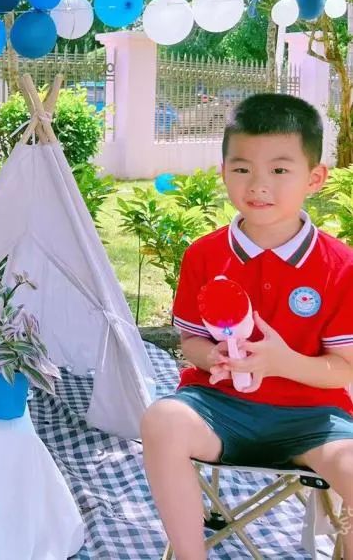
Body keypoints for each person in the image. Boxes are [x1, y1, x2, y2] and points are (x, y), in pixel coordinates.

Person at [141, 94, 353, 559]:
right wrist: (211, 355)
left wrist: (282, 362)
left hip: (314, 418)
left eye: (279, 170)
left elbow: (344, 369)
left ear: (314, 178)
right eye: (242, 168)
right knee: (161, 421)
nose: (258, 185)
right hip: (219, 408)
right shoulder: (205, 254)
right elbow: (191, 341)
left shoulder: (340, 265)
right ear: (223, 171)